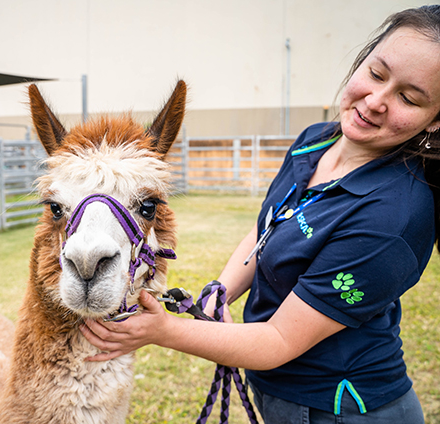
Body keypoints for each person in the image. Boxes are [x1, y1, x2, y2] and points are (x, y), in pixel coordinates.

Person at [79, 5, 440, 423]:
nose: (376, 101)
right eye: (376, 74)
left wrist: (162, 331)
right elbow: (268, 228)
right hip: (278, 391)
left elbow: (278, 341)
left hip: (335, 408)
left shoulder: (392, 218)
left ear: (434, 122)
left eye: (409, 98)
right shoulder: (315, 142)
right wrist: (223, 288)